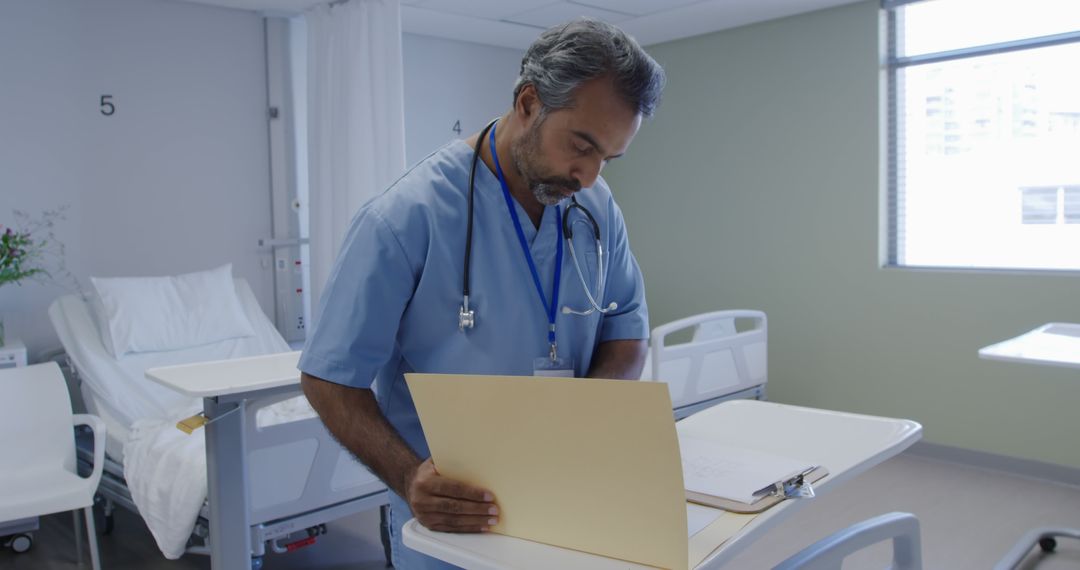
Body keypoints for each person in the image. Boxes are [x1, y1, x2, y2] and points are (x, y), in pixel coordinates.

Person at [298, 17, 665, 568]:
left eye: (606, 159)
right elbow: (329, 376)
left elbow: (626, 329)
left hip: (567, 499)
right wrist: (407, 476)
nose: (588, 176)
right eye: (581, 146)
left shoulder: (595, 207)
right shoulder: (405, 218)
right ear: (528, 103)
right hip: (453, 518)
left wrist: (586, 422)